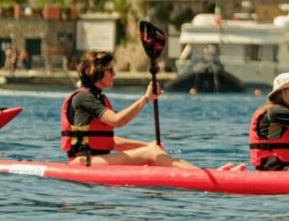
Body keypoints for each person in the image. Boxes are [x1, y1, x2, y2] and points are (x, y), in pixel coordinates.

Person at [62, 50, 197, 168]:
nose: (114, 74)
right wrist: (146, 98)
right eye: (110, 70)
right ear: (97, 71)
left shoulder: (98, 99)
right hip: (82, 162)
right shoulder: (83, 98)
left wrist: (147, 145)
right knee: (151, 154)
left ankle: (203, 173)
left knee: (153, 151)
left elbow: (112, 141)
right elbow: (118, 121)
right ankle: (201, 176)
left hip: (96, 161)